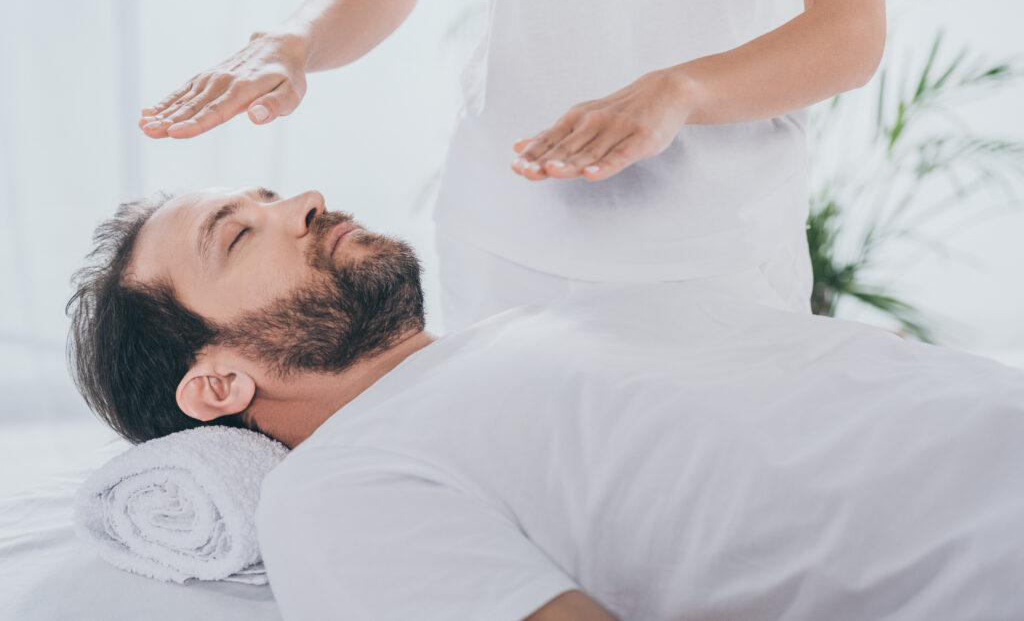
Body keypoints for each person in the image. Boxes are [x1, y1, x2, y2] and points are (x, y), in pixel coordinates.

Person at [67, 187, 1024, 620]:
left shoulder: (554, 321)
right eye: (239, 236)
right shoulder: (333, 494)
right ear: (220, 383)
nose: (305, 200)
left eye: (271, 195)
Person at [136, 0, 886, 330]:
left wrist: (680, 91)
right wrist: (294, 42)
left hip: (715, 247)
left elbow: (850, 31)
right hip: (503, 239)